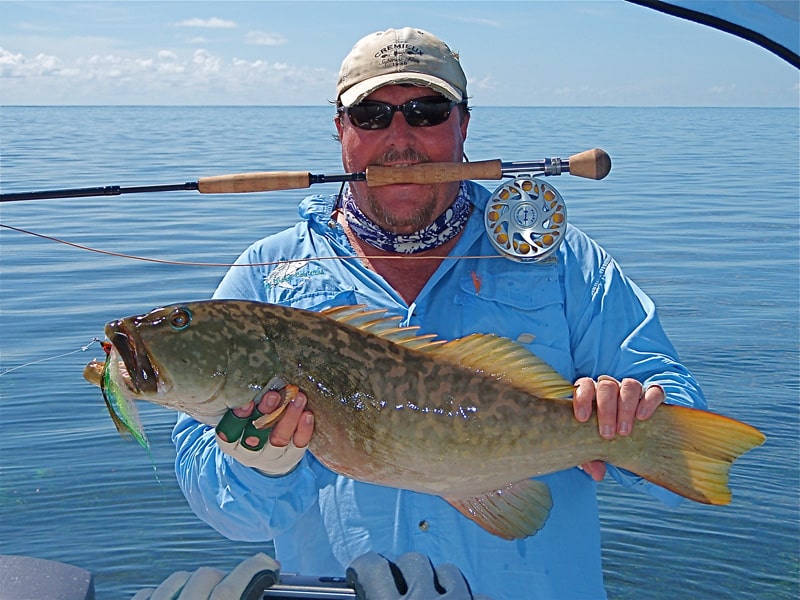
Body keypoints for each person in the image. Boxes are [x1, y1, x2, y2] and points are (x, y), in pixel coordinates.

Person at [172, 27, 706, 599]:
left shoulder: (565, 262)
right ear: (341, 131)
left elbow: (682, 445)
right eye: (372, 115)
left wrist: (631, 413)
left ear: (464, 126)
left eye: (426, 111)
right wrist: (260, 465)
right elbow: (228, 514)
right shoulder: (266, 277)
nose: (399, 138)